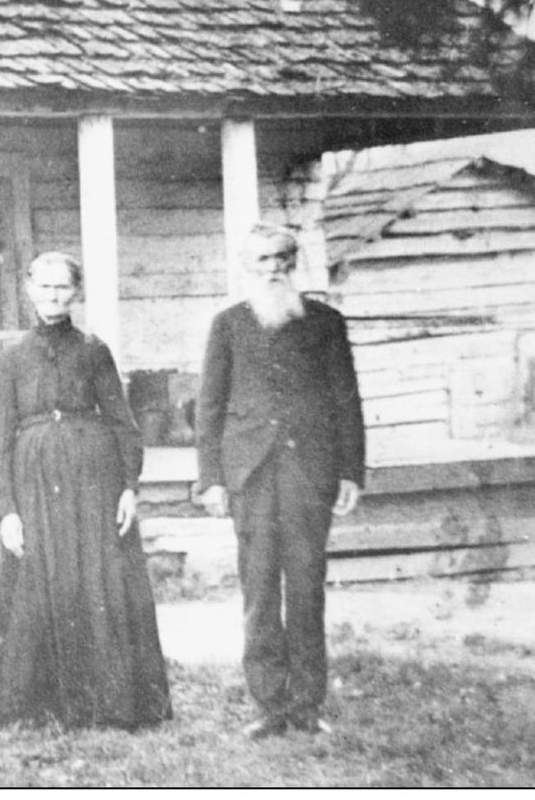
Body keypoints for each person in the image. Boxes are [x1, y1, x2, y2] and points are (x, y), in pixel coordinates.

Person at [0, 251, 172, 730]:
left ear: (76, 293)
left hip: (94, 481)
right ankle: (38, 706)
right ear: (29, 290)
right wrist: (7, 509)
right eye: (44, 287)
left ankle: (110, 704)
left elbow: (122, 423)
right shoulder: (12, 359)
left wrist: (129, 487)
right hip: (33, 485)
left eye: (62, 287)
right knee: (38, 581)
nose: (52, 295)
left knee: (99, 580)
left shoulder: (94, 351)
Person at [195, 222, 365, 740]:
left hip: (308, 473)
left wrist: (350, 471)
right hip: (250, 473)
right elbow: (210, 405)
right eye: (262, 261)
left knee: (308, 588)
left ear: (294, 264)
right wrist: (211, 479)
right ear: (247, 267)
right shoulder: (228, 325)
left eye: (281, 260)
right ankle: (269, 704)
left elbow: (346, 400)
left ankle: (307, 705)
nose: (272, 269)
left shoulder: (324, 323)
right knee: (260, 589)